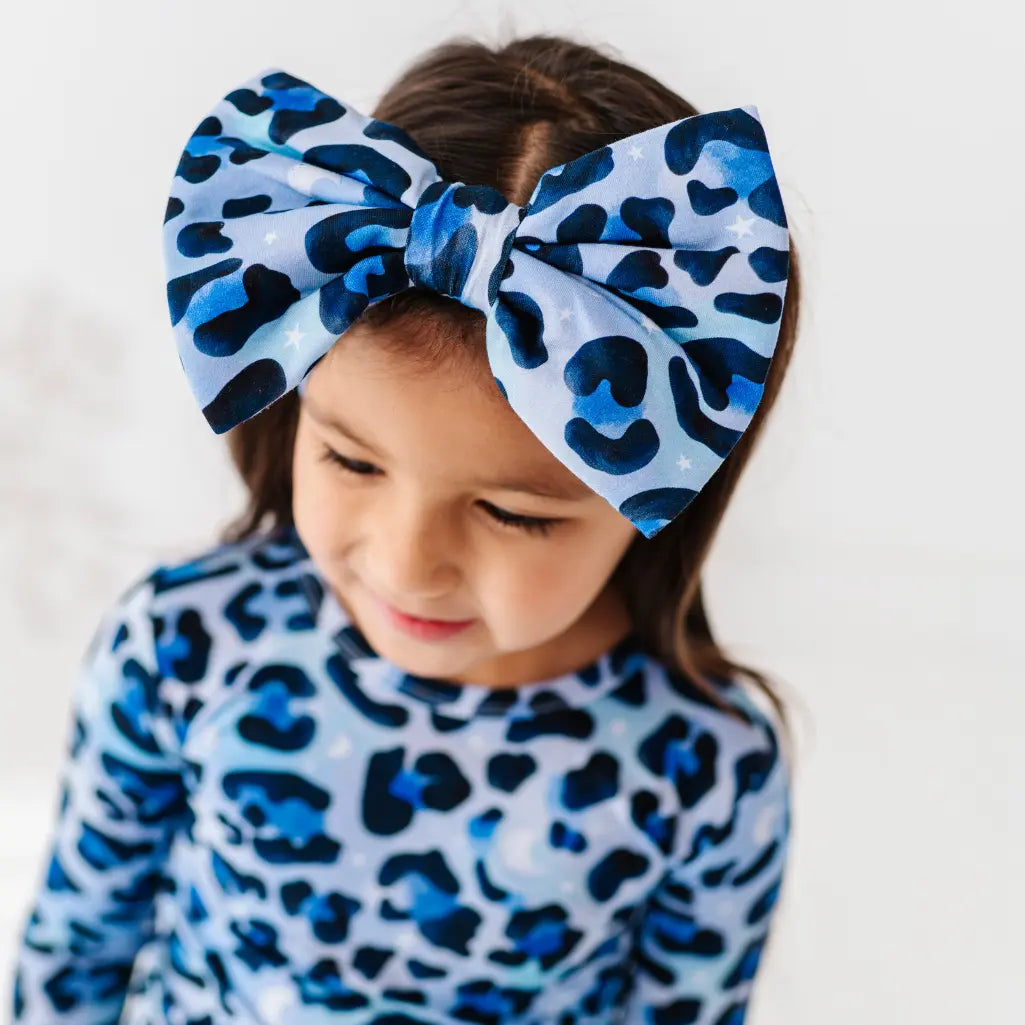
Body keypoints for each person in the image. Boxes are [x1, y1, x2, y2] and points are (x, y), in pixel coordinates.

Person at [10, 31, 802, 1025]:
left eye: (512, 512)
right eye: (349, 459)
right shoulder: (181, 648)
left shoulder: (705, 766)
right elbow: (72, 953)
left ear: (659, 497)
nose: (405, 561)